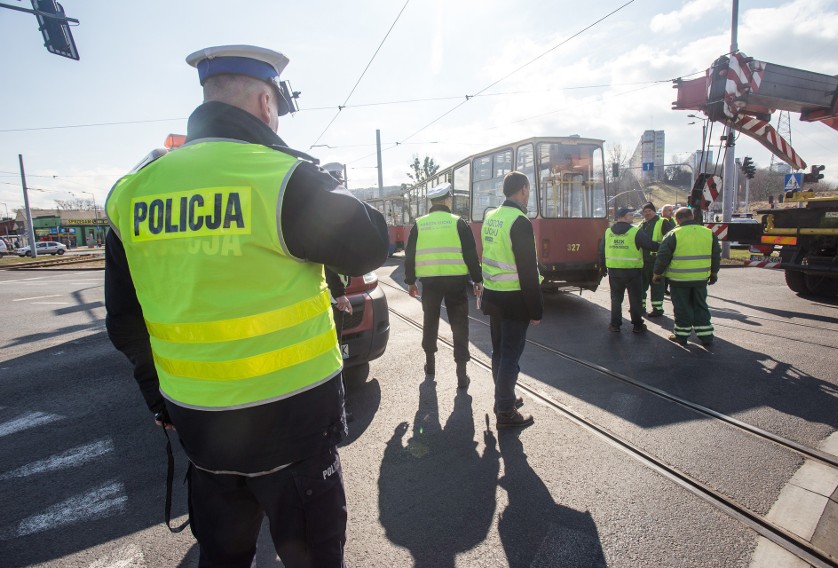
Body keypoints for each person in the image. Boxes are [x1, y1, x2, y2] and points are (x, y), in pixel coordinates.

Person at [104, 44, 389, 567]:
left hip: (199, 428)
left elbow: (124, 320)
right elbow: (373, 242)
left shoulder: (132, 193)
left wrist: (158, 398)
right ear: (265, 102)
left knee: (223, 560)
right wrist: (316, 177)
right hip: (294, 427)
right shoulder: (278, 178)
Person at [404, 182, 483, 388]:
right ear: (447, 200)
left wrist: (411, 281)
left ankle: (430, 365)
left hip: (429, 284)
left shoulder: (419, 224)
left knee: (430, 322)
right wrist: (477, 279)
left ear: (432, 202)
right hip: (455, 283)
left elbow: (409, 255)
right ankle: (461, 375)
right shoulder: (458, 223)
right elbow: (471, 255)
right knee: (459, 326)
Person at [480, 171, 542, 430]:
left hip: (494, 295)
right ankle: (505, 411)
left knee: (499, 351)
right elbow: (527, 270)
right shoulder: (519, 221)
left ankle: (503, 399)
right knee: (510, 356)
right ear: (524, 189)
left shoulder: (491, 216)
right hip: (515, 299)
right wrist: (536, 308)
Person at [652, 207, 721, 347]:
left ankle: (681, 336)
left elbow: (663, 257)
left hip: (680, 280)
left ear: (677, 219)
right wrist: (714, 273)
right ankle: (706, 335)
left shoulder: (673, 234)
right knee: (700, 305)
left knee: (682, 307)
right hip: (701, 279)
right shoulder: (708, 233)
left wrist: (657, 274)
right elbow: (716, 256)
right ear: (692, 216)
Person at [599, 207, 659, 333]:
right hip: (633, 272)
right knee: (635, 299)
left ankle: (615, 325)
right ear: (623, 216)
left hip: (614, 272)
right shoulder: (635, 232)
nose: (632, 216)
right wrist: (665, 245)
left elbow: (601, 251)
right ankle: (637, 325)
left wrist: (603, 267)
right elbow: (650, 246)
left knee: (616, 299)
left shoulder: (608, 232)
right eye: (630, 214)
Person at [638, 202, 674, 318]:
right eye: (645, 211)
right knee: (641, 286)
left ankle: (657, 309)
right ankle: (641, 307)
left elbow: (670, 240)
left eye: (649, 211)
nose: (647, 213)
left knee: (657, 286)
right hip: (642, 261)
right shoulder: (641, 224)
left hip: (656, 261)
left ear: (654, 211)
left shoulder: (663, 222)